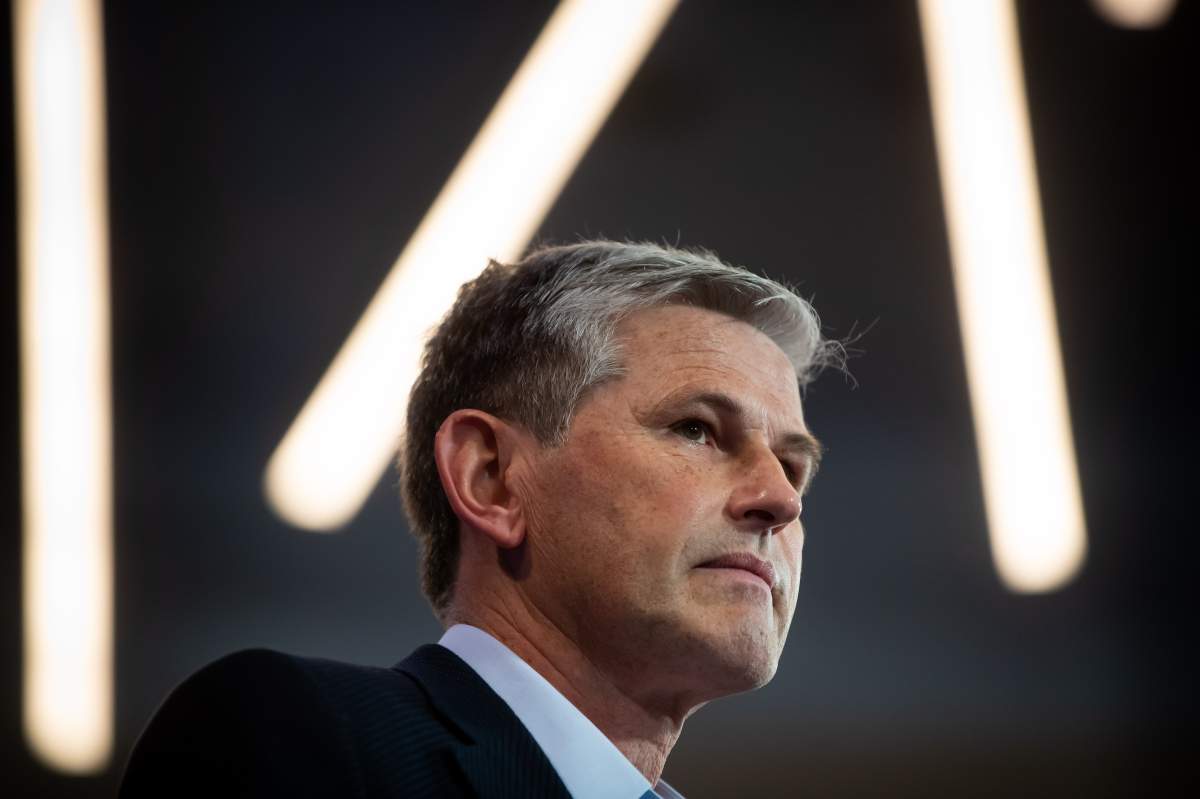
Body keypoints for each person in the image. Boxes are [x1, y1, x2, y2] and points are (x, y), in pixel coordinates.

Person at [120, 240, 839, 798]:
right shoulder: (299, 741)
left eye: (794, 464)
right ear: (490, 476)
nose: (781, 500)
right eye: (697, 428)